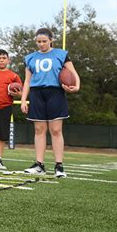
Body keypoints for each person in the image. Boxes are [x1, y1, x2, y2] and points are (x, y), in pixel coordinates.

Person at [20, 28, 80, 178]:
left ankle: (59, 166)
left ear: (51, 40)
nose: (41, 44)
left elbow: (73, 74)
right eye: (38, 42)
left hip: (55, 92)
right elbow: (27, 80)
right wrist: (23, 100)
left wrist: (76, 86)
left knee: (56, 130)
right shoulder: (30, 58)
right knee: (39, 130)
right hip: (36, 93)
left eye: (44, 41)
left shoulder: (61, 54)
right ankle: (39, 164)